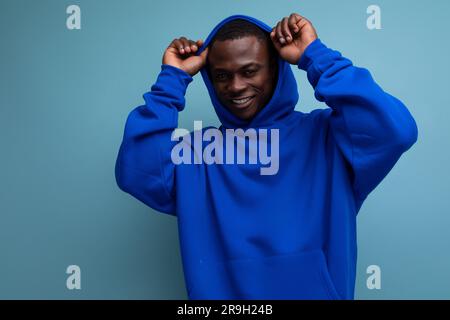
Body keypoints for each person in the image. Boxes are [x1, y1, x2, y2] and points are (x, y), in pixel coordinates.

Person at [115, 13, 418, 299]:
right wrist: (172, 80)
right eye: (222, 75)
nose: (235, 86)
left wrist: (315, 56)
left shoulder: (328, 137)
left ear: (275, 68)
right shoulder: (198, 153)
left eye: (249, 71)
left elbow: (395, 131)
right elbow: (136, 169)